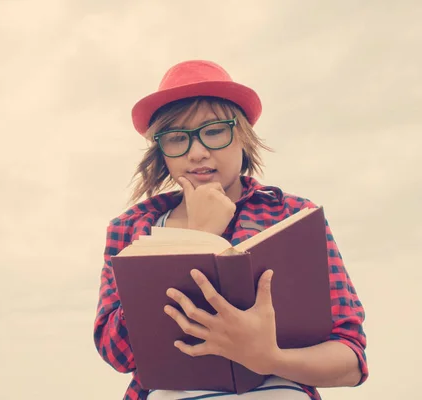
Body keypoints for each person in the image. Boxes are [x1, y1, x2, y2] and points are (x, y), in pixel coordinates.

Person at [93, 60, 368, 400]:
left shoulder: (293, 216)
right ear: (162, 152)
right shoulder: (130, 229)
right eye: (177, 138)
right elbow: (117, 353)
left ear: (243, 136)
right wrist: (197, 235)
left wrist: (268, 358)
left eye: (214, 131)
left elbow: (351, 360)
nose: (197, 152)